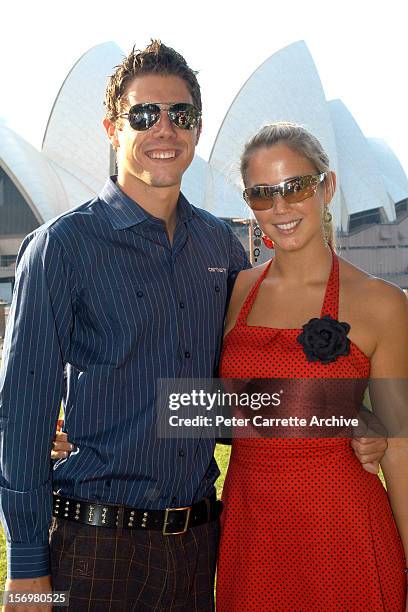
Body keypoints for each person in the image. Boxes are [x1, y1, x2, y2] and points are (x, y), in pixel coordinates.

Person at [0, 42, 386, 611]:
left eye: (180, 115)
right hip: (96, 547)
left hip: (200, 545)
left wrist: (344, 416)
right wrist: (28, 575)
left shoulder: (218, 246)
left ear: (197, 130)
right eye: (143, 115)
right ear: (112, 127)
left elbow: (219, 400)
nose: (164, 129)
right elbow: (24, 410)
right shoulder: (61, 248)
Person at [215, 122, 408, 611]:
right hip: (250, 538)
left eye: (295, 187)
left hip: (344, 540)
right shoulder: (237, 291)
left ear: (328, 187)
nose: (280, 208)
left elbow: (402, 451)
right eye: (262, 194)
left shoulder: (381, 304)